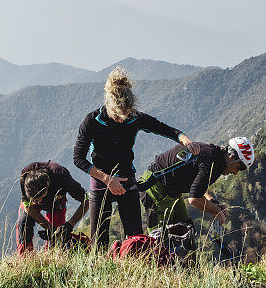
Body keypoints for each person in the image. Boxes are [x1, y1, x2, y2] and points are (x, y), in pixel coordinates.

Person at [72, 67, 199, 249]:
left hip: (126, 181)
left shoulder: (133, 118)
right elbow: (78, 158)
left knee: (137, 240)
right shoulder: (91, 121)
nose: (122, 120)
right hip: (101, 183)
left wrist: (187, 142)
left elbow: (167, 130)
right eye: (118, 116)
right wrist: (107, 179)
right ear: (109, 105)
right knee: (98, 243)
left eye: (126, 115)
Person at [139, 137, 255, 230]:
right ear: (231, 157)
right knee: (159, 239)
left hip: (170, 191)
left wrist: (212, 202)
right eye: (239, 168)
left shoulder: (216, 156)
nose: (235, 173)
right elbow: (194, 199)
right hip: (154, 187)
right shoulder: (211, 162)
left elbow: (199, 185)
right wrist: (218, 213)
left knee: (186, 229)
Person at [15, 160, 88, 256]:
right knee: (23, 223)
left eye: (41, 197)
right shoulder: (25, 175)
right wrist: (49, 228)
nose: (39, 202)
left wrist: (69, 225)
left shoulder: (61, 176)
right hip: (32, 205)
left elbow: (86, 201)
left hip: (57, 203)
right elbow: (28, 207)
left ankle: (54, 256)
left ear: (48, 184)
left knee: (59, 237)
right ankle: (25, 259)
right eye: (35, 200)